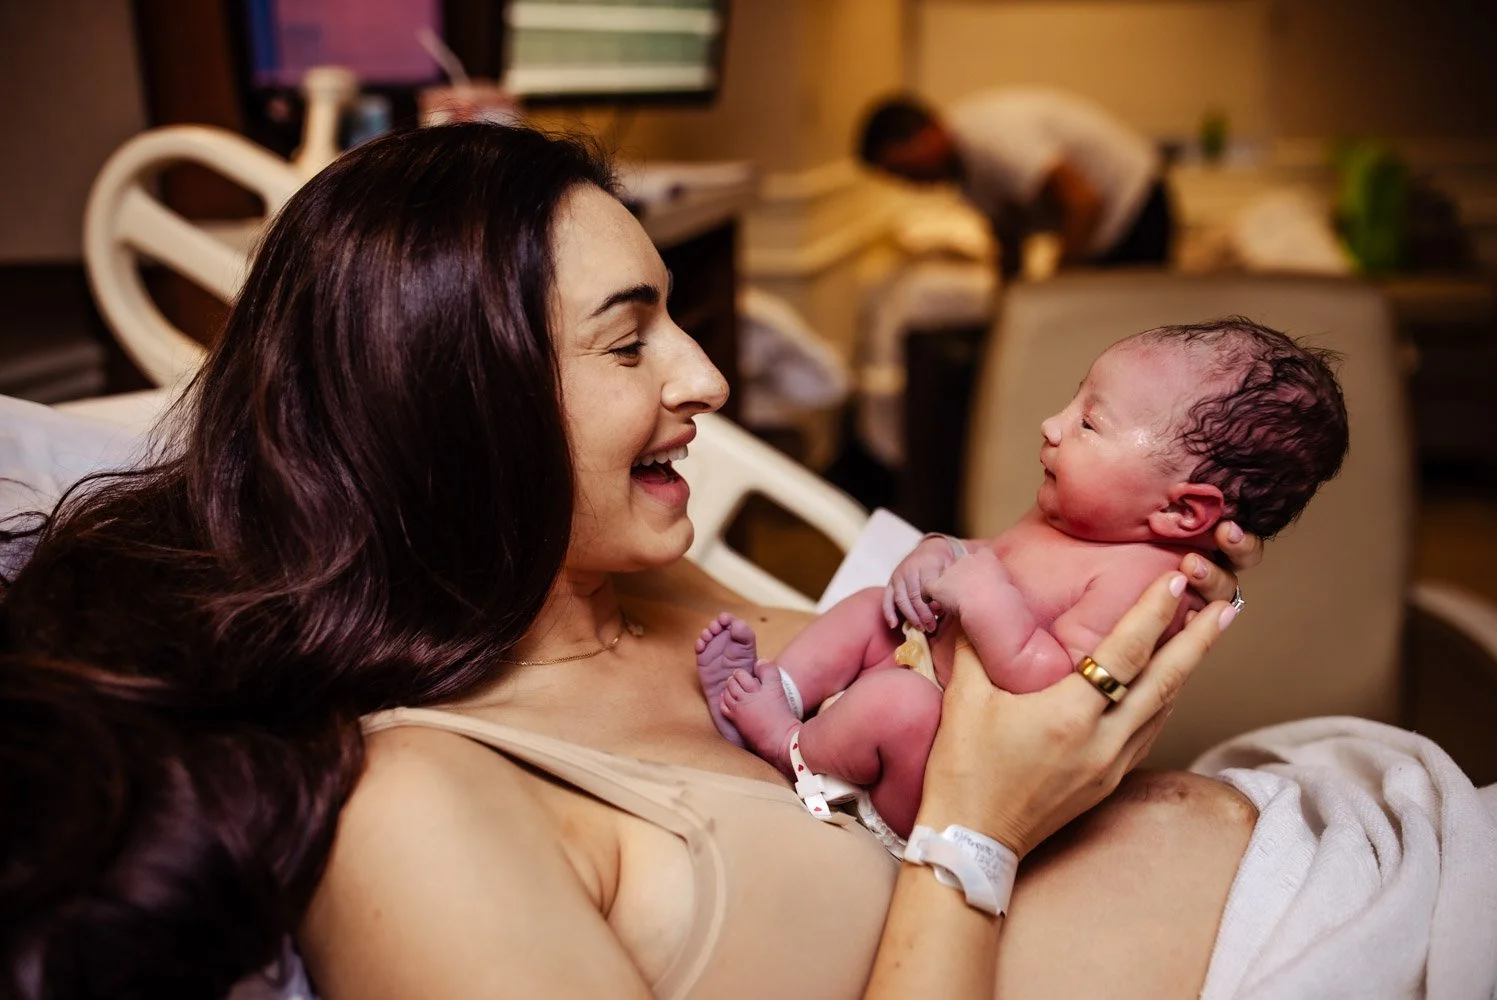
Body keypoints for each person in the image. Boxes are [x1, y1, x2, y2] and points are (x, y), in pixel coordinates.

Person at [1, 123, 1260, 1000]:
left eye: (678, 316)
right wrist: (976, 838)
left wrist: (1124, 560)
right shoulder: (420, 812)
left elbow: (957, 682)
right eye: (628, 342)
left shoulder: (633, 586)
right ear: (462, 411)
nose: (706, 378)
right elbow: (975, 789)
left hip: (1334, 841)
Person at [697, 320, 1348, 842]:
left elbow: (1048, 684)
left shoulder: (1147, 583)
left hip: (945, 767)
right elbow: (986, 555)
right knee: (872, 609)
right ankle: (777, 686)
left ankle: (789, 745)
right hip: (926, 663)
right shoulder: (1068, 518)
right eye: (1074, 401)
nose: (1053, 424)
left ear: (1181, 510)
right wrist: (937, 552)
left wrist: (985, 598)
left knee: (899, 704)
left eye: (1090, 422)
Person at [858, 89, 1173, 274]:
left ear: (925, 136)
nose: (909, 183)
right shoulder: (964, 175)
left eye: (903, 169)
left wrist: (1054, 286)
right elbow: (1008, 241)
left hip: (1134, 206)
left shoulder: (989, 141)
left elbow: (1084, 203)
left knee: (1122, 340)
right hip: (1106, 223)